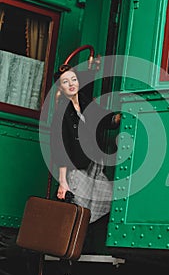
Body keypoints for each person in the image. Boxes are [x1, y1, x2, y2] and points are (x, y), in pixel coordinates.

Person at [50, 63, 121, 224]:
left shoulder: (84, 101)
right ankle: (70, 245)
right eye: (65, 82)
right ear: (60, 88)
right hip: (77, 168)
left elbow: (101, 118)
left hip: (94, 164)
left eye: (73, 79)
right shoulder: (61, 112)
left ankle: (82, 242)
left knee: (107, 199)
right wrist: (62, 182)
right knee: (79, 208)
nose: (71, 84)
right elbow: (60, 148)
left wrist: (117, 118)